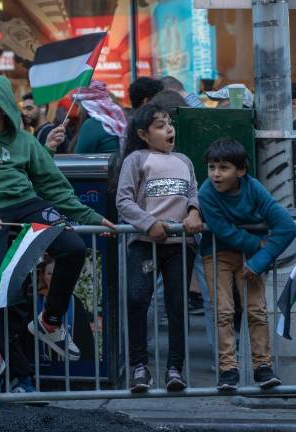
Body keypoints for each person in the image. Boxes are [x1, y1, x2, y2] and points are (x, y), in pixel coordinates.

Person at [0, 75, 114, 395]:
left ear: (4, 105)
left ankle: (50, 321)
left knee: (73, 248)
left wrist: (91, 217)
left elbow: (54, 187)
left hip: (26, 205)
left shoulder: (24, 140)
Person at [115, 103, 203, 393]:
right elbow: (124, 201)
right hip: (143, 245)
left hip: (180, 246)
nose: (169, 130)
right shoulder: (136, 160)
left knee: (177, 307)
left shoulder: (184, 161)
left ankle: (175, 368)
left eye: (169, 123)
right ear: (143, 134)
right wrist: (148, 223)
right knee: (138, 301)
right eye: (160, 125)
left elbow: (193, 193)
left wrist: (193, 212)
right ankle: (139, 367)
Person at [199, 138, 296, 391]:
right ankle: (228, 370)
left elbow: (286, 226)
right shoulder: (206, 192)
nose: (216, 174)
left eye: (223, 168)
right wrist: (257, 245)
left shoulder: (253, 188)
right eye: (212, 167)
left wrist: (260, 260)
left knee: (257, 310)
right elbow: (222, 230)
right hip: (217, 253)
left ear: (241, 170)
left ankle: (263, 368)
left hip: (250, 259)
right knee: (223, 312)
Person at [73, 81, 126, 154]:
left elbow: (77, 160)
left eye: (78, 106)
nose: (77, 112)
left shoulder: (91, 125)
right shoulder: (121, 122)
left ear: (88, 106)